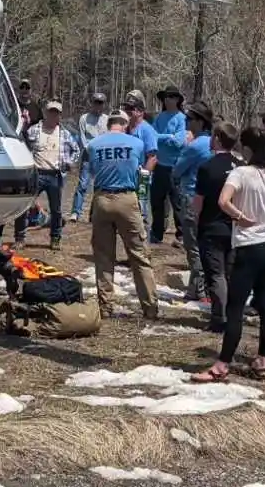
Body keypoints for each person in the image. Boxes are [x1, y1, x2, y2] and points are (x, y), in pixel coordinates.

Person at [194, 127, 265, 383]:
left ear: (247, 149)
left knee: (235, 307)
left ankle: (222, 364)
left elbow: (224, 201)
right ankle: (261, 360)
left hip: (248, 247)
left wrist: (239, 217)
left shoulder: (241, 173)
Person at [87, 112, 160, 320]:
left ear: (108, 125)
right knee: (139, 254)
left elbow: (93, 171)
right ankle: (150, 307)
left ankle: (106, 306)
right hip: (127, 199)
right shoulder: (135, 143)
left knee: (103, 255)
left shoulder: (94, 144)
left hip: (102, 199)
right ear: (125, 125)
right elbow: (143, 167)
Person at [193, 121, 240, 333]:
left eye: (213, 135)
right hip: (236, 227)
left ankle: (220, 318)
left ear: (219, 138)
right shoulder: (242, 167)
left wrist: (194, 220)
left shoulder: (207, 167)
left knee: (216, 274)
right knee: (230, 274)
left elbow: (198, 203)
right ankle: (233, 314)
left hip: (212, 227)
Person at [18, 100, 78, 248]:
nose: (53, 115)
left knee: (56, 210)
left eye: (56, 113)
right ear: (46, 113)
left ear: (59, 116)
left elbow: (76, 150)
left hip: (55, 175)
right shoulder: (34, 130)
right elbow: (22, 143)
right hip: (36, 173)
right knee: (24, 207)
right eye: (51, 112)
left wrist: (69, 162)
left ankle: (55, 238)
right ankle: (19, 238)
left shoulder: (64, 133)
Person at [172, 102, 214, 299]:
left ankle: (198, 289)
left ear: (200, 122)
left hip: (191, 197)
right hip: (211, 200)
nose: (186, 122)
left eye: (189, 119)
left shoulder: (196, 146)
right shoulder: (215, 143)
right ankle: (205, 286)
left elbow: (177, 170)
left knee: (193, 246)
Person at [149, 86, 188, 244]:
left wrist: (162, 137)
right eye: (166, 97)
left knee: (177, 202)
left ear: (178, 100)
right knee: (157, 201)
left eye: (171, 97)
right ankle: (157, 234)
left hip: (175, 167)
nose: (168, 99)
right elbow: (152, 136)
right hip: (159, 165)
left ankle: (181, 235)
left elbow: (178, 142)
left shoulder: (182, 118)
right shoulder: (160, 117)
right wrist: (168, 136)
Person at [121, 90, 159, 232]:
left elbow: (153, 157)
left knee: (141, 214)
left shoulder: (147, 130)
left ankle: (144, 248)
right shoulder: (125, 129)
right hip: (125, 179)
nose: (127, 111)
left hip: (140, 180)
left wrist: (143, 179)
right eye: (126, 108)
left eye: (131, 108)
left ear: (140, 111)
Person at [70, 92, 109, 222]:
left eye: (101, 102)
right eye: (96, 102)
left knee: (99, 186)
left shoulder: (107, 120)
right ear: (92, 103)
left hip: (102, 156)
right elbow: (82, 136)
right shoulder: (84, 118)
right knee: (83, 184)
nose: (98, 105)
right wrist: (88, 148)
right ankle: (76, 212)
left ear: (104, 104)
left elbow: (108, 138)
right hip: (88, 154)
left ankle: (95, 214)